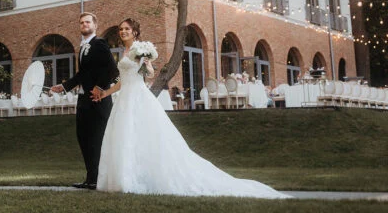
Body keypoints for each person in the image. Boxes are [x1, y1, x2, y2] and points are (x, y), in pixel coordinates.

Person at [90, 18, 288, 199]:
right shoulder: (124, 52)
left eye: (127, 29)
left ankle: (136, 179)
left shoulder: (138, 49)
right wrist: (105, 93)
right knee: (125, 136)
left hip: (138, 97)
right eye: (121, 29)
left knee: (144, 136)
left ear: (134, 32)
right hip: (124, 98)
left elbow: (147, 74)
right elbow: (123, 81)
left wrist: (147, 63)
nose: (123, 32)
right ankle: (125, 178)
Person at [51, 12, 119, 190]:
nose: (84, 25)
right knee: (84, 138)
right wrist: (64, 86)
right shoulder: (82, 47)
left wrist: (101, 87)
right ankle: (90, 179)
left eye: (88, 22)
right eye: (81, 23)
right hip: (83, 100)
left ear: (95, 25)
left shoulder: (99, 43)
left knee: (97, 140)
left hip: (98, 101)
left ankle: (98, 179)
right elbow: (82, 74)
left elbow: (112, 69)